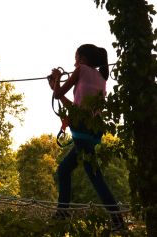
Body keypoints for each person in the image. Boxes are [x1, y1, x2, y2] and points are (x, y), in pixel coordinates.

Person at [48, 44, 125, 230]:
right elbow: (76, 108)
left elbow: (59, 95)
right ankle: (62, 212)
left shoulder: (81, 69)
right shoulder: (101, 77)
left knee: (94, 175)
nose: (74, 62)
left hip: (82, 127)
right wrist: (55, 87)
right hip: (92, 129)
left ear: (82, 58)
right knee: (64, 170)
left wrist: (56, 80)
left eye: (76, 57)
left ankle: (117, 220)